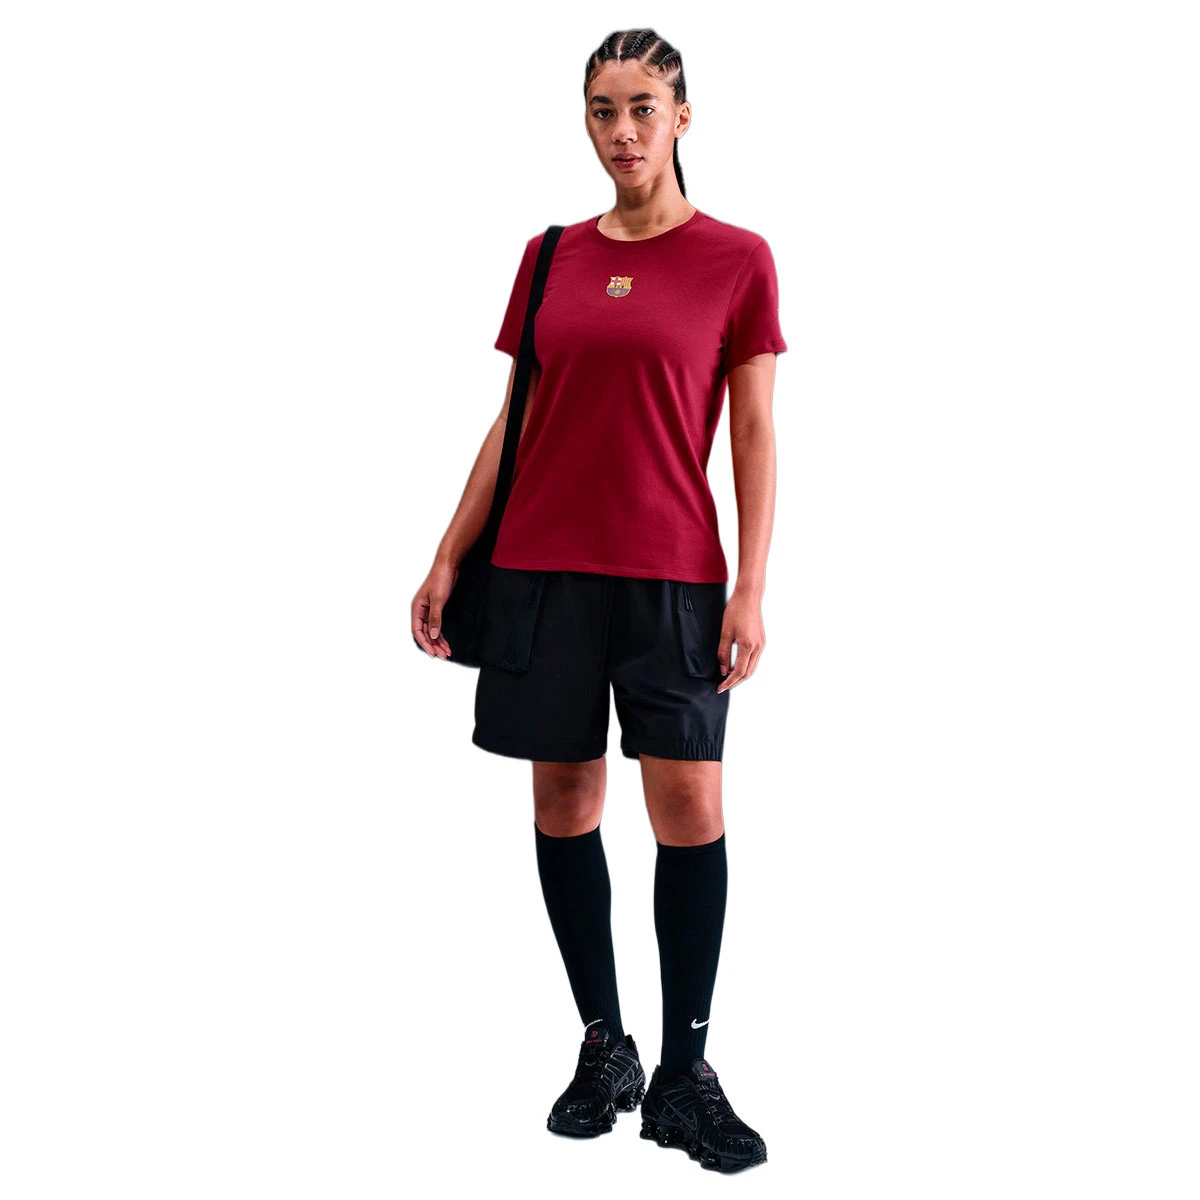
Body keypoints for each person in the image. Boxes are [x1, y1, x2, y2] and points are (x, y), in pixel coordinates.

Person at [412, 29, 786, 1175]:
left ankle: (685, 1074)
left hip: (675, 575)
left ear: (683, 118)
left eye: (642, 108)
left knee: (690, 808)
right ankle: (604, 1047)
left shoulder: (737, 259)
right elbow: (512, 422)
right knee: (566, 801)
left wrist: (752, 585)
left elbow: (756, 431)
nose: (622, 132)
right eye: (602, 110)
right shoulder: (549, 258)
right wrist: (447, 556)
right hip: (543, 570)